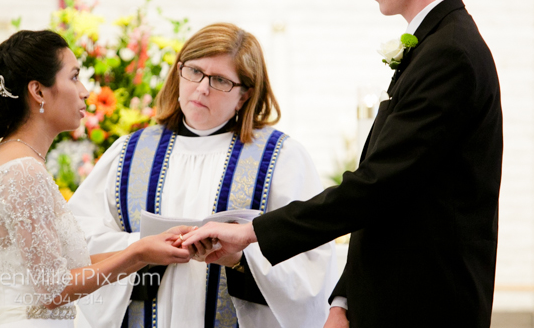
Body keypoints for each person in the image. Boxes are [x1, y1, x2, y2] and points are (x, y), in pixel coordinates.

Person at [182, 0, 503, 328]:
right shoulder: (435, 45)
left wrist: (253, 232)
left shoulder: (451, 55)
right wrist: (345, 299)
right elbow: (392, 192)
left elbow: (377, 186)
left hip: (425, 305)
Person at [68, 23, 337, 328]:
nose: (202, 87)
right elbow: (76, 242)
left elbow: (309, 265)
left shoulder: (281, 157)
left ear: (244, 95)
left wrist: (239, 259)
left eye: (220, 80)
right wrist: (141, 248)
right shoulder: (130, 151)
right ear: (178, 72)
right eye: (194, 71)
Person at [0, 30, 193, 328]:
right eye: (74, 76)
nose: (85, 90)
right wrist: (138, 251)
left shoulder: (15, 160)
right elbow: (54, 289)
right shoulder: (21, 171)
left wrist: (148, 250)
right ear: (38, 91)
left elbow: (66, 268)